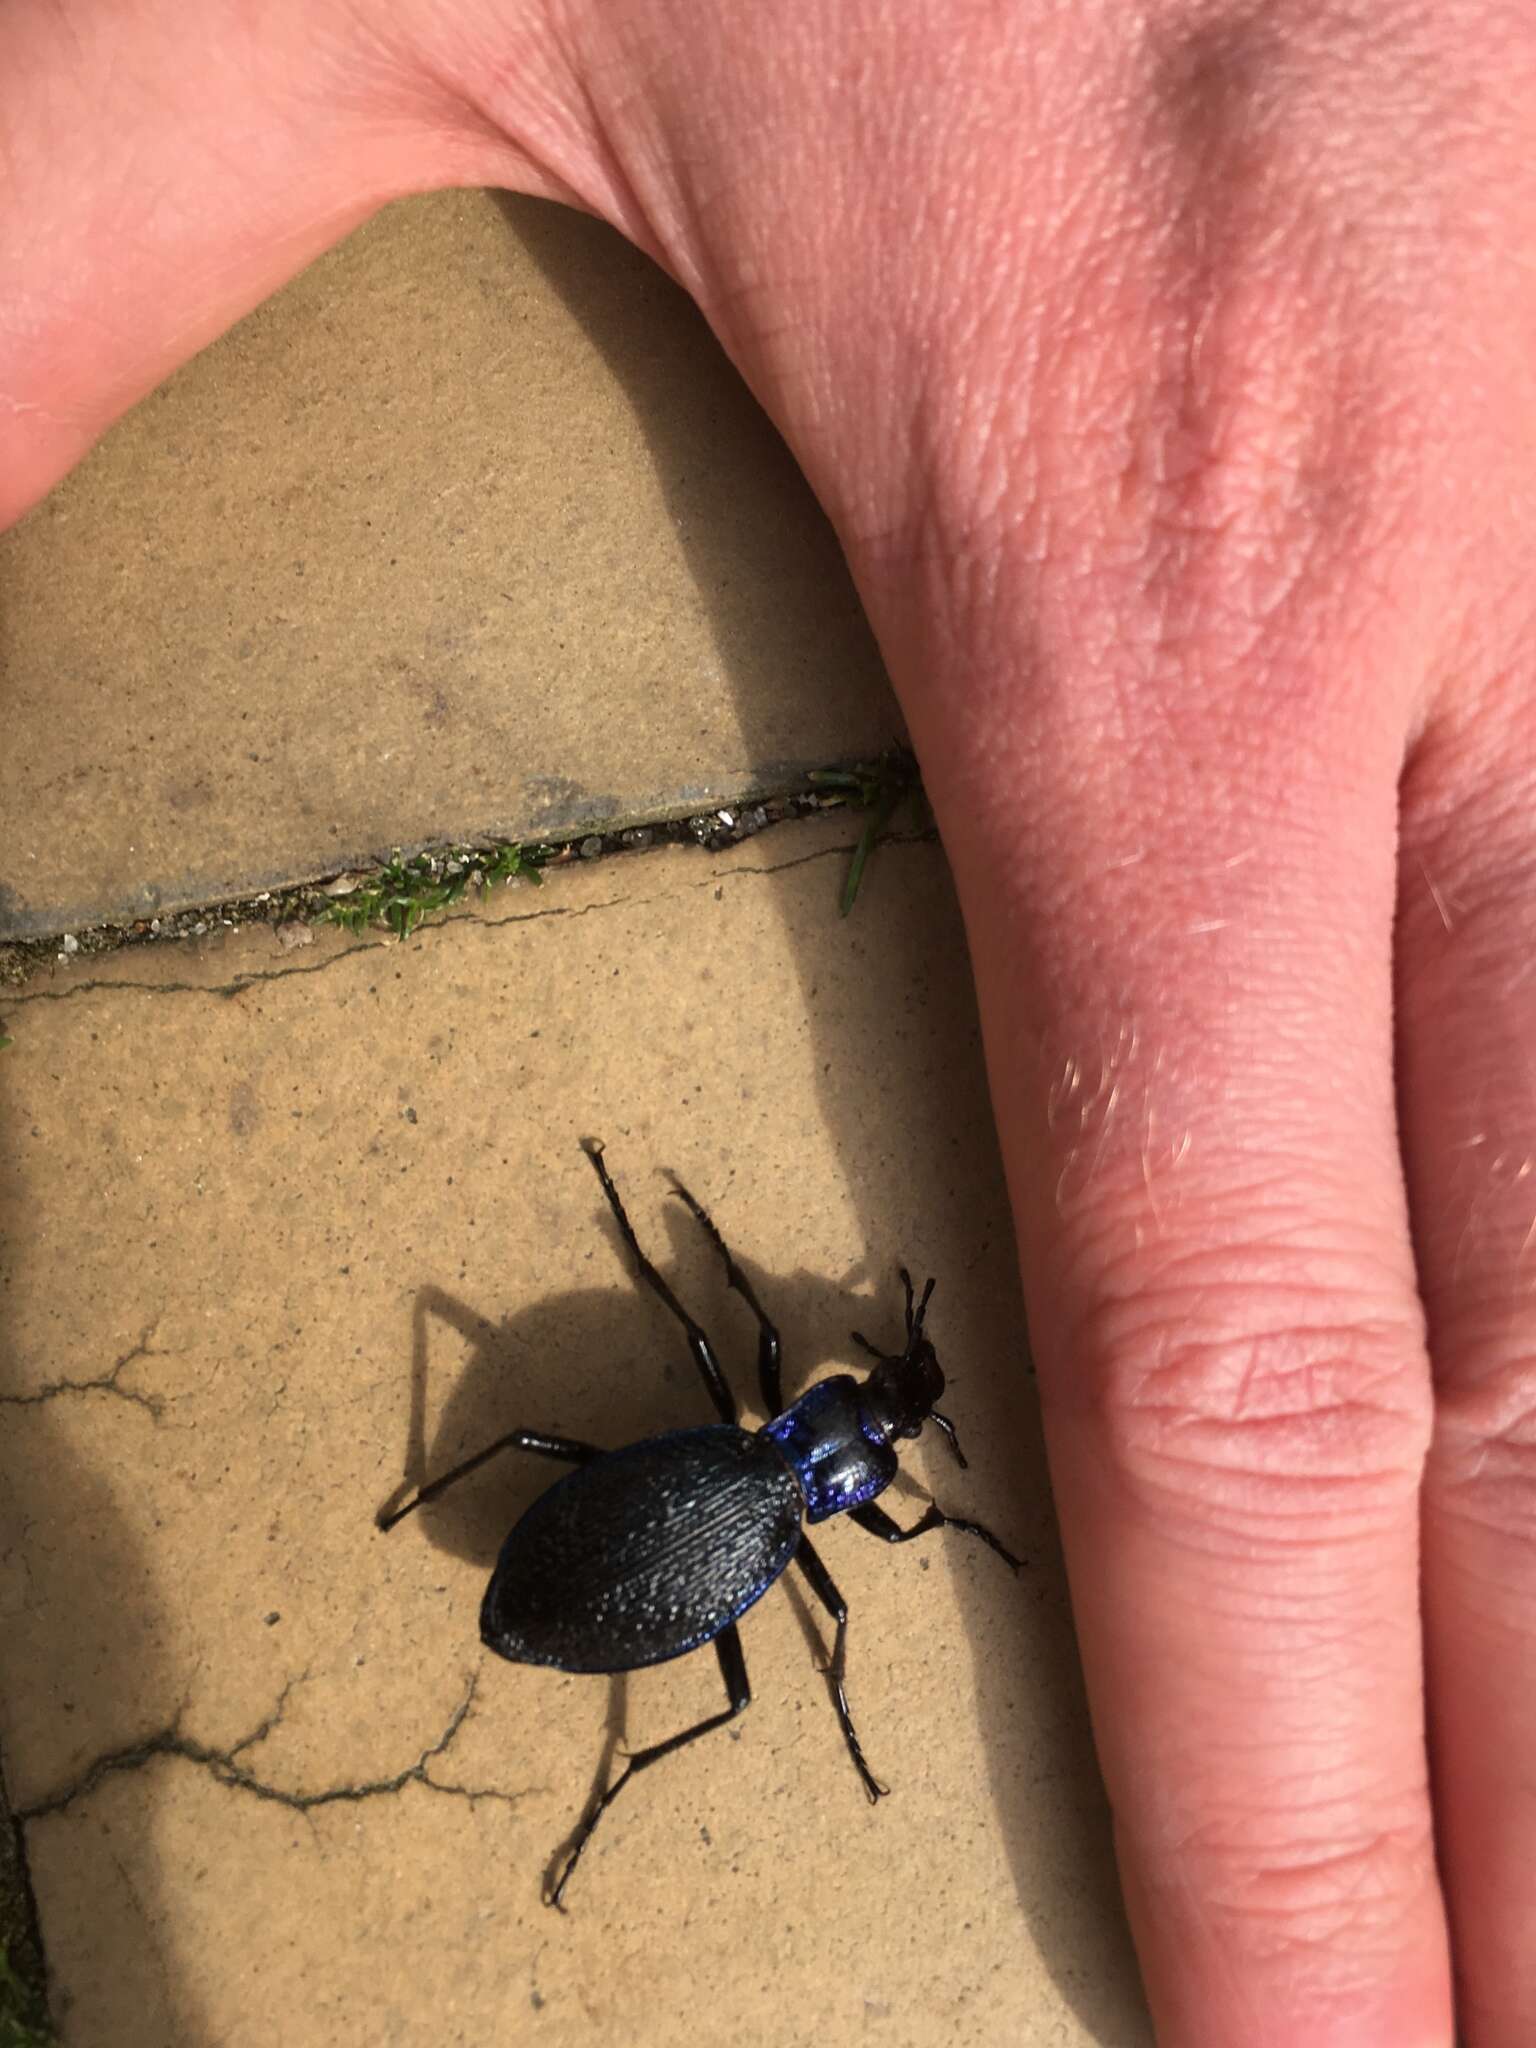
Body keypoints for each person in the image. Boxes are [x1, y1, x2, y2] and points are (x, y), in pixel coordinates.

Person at [4, 4, 1532, 2041]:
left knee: (663, 1518)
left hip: (632, 1546)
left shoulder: (765, 1450)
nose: (868, 1406)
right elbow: (745, 1367)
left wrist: (715, 1298)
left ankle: (613, 1756)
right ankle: (609, 1742)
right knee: (722, 1598)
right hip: (640, 1545)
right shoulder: (800, 1493)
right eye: (880, 1425)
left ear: (829, 1439)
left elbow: (725, 1328)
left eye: (873, 1421)